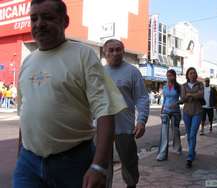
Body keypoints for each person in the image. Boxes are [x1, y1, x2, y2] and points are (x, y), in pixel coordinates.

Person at [12, 1, 127, 188]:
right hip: (28, 163)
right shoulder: (27, 62)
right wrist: (20, 157)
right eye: (34, 18)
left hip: (74, 162)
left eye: (47, 17)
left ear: (65, 21)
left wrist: (98, 166)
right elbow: (25, 114)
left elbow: (105, 111)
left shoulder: (84, 55)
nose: (39, 24)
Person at [103, 39, 150, 188]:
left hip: (125, 128)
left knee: (129, 165)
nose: (115, 53)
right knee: (102, 167)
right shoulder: (98, 72)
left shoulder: (132, 72)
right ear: (105, 53)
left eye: (118, 49)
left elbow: (142, 97)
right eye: (111, 50)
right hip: (101, 128)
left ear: (123, 52)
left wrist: (141, 120)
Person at [156, 69, 182, 161]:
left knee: (175, 131)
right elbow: (164, 100)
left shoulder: (179, 87)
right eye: (167, 75)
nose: (169, 77)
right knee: (164, 132)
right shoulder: (165, 87)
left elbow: (183, 99)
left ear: (174, 76)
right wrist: (161, 111)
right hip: (166, 111)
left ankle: (177, 148)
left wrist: (177, 102)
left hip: (176, 112)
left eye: (170, 75)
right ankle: (162, 154)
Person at [181, 67, 204, 168]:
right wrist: (193, 95)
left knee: (193, 134)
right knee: (189, 134)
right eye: (190, 73)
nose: (192, 75)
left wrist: (190, 94)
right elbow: (183, 98)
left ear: (196, 75)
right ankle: (192, 151)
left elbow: (201, 95)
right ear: (187, 75)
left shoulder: (200, 84)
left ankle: (190, 157)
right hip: (186, 112)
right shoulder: (184, 85)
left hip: (197, 112)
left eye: (194, 73)